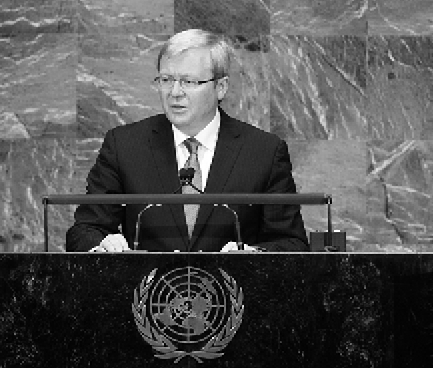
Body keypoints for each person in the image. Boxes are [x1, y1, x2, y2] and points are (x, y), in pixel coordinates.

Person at [66, 28, 309, 253]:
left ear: (221, 87)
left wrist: (253, 256)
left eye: (189, 82)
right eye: (166, 80)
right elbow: (83, 231)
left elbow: (292, 243)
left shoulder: (264, 152)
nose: (175, 92)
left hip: (234, 295)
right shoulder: (125, 145)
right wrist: (102, 244)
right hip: (148, 295)